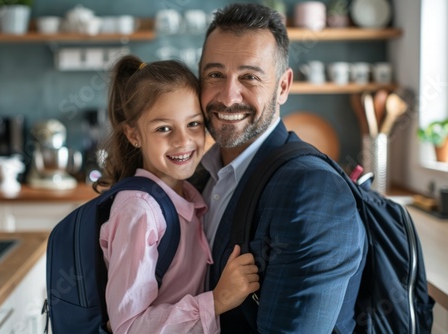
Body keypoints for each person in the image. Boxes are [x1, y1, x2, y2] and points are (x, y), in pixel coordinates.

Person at [197, 3, 367, 333]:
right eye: (215, 75)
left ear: (283, 86)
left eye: (249, 77)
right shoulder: (199, 173)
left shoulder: (314, 193)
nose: (229, 96)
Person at [94, 55, 260, 334]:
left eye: (193, 124)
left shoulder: (192, 194)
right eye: (163, 128)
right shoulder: (140, 211)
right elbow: (128, 326)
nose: (182, 140)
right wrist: (216, 302)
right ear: (133, 135)